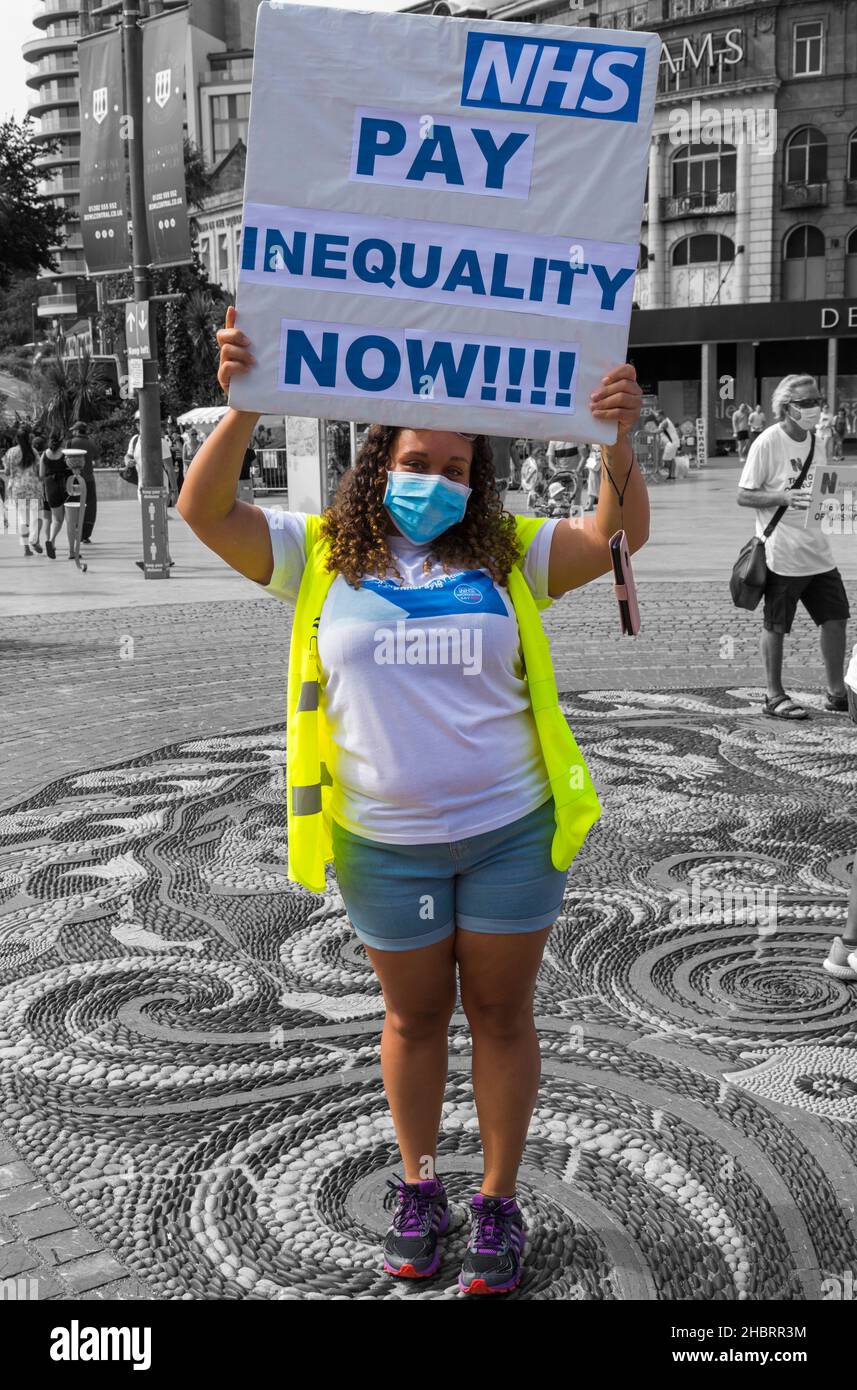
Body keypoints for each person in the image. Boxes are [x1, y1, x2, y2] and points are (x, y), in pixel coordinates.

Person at [177, 305, 649, 1296]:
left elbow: (613, 537)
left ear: (475, 479)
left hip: (510, 834)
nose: (433, 481)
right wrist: (245, 406)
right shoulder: (315, 554)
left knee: (502, 1013)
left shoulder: (510, 554)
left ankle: (496, 1200)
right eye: (415, 460)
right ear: (372, 461)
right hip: (380, 842)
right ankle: (420, 1184)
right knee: (413, 1017)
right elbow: (202, 511)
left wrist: (617, 440)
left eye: (453, 467)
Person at [737, 373, 850, 720]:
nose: (814, 408)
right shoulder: (768, 442)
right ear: (786, 407)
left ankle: (835, 691)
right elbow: (744, 494)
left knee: (836, 617)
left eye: (817, 401)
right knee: (776, 624)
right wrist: (782, 496)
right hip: (782, 553)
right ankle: (774, 695)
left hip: (817, 550)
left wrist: (843, 504)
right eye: (806, 403)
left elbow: (824, 489)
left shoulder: (817, 439)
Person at [2, 428, 43, 554]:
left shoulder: (10, 452)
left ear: (17, 439)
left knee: (22, 518)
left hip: (17, 488)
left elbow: (7, 472)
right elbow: (38, 470)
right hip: (33, 488)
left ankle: (26, 549)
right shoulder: (34, 452)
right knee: (36, 516)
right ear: (28, 438)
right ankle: (34, 539)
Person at [39, 430, 70, 559]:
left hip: (50, 486)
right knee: (69, 519)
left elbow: (41, 475)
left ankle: (51, 541)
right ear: (61, 439)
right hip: (65, 485)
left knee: (56, 518)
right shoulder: (64, 453)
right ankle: (52, 541)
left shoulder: (44, 455)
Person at [67, 421, 98, 543]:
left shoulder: (70, 442)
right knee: (90, 507)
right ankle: (85, 535)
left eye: (74, 430)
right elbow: (96, 457)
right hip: (89, 479)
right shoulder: (91, 442)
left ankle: (75, 533)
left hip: (74, 479)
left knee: (75, 506)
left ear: (77, 431)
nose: (73, 432)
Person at [654, 408, 681, 478]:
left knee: (665, 460)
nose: (656, 418)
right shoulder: (666, 421)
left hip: (671, 443)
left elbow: (660, 430)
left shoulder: (665, 422)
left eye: (657, 416)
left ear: (661, 416)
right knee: (671, 459)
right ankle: (671, 475)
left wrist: (651, 432)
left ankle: (671, 474)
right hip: (673, 442)